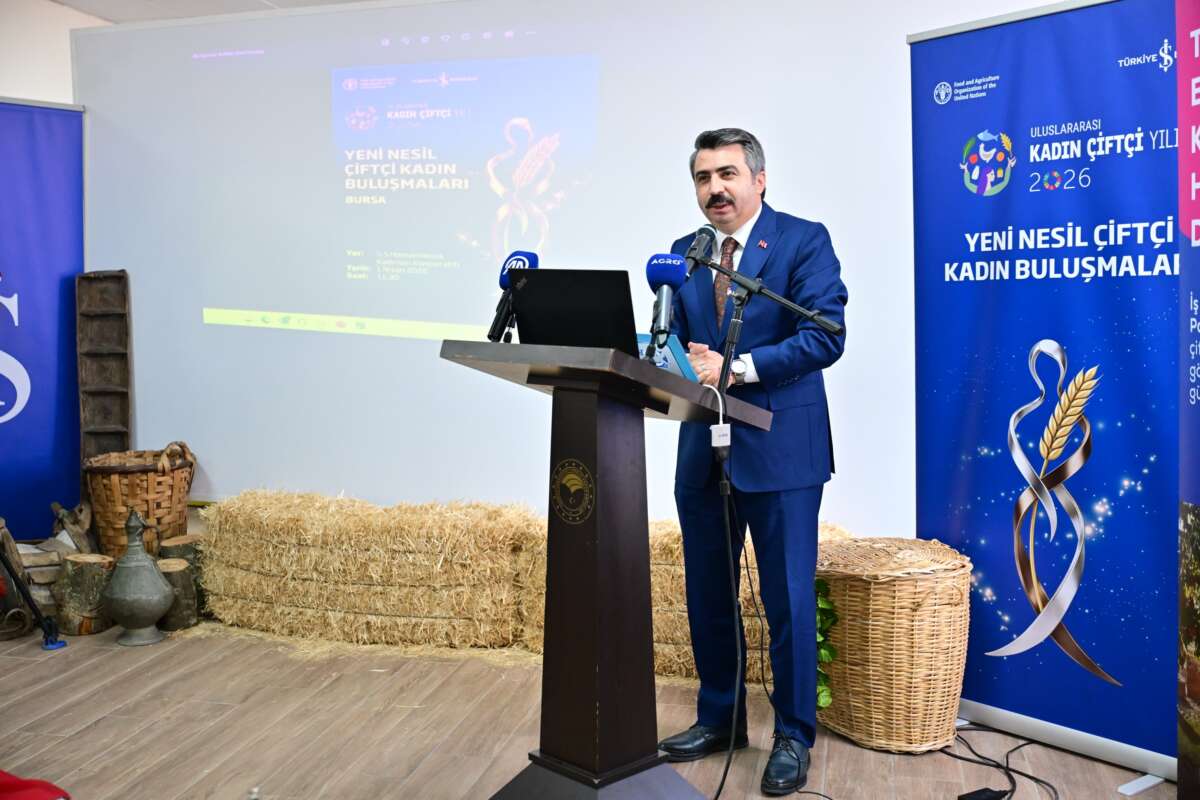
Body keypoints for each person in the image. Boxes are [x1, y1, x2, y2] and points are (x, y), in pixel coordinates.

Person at [657, 128, 847, 796]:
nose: (715, 189)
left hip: (781, 450)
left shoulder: (802, 241)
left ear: (759, 180)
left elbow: (825, 335)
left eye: (727, 174)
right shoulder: (684, 254)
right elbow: (677, 344)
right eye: (703, 177)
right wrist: (663, 359)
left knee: (787, 599)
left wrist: (736, 367)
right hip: (702, 450)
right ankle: (721, 719)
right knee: (708, 592)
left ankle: (793, 735)